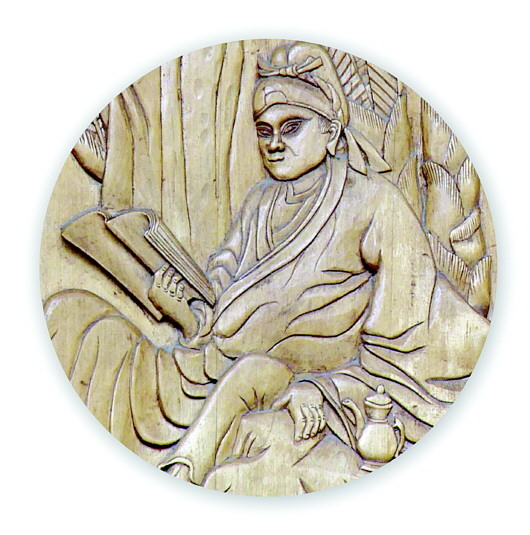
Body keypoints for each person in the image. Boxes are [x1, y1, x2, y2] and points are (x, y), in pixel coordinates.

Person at [147, 42, 489, 493]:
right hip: (227, 368)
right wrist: (183, 311)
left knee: (250, 410)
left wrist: (323, 390)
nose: (273, 144)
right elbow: (222, 296)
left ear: (330, 131)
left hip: (328, 388)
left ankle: (182, 474)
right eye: (263, 131)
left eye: (291, 127)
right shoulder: (260, 201)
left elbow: (401, 342)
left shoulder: (373, 201)